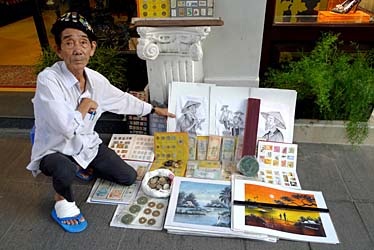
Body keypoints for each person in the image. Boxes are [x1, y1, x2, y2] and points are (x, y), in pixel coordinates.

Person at [26, 12, 175, 233]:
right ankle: (61, 201)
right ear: (59, 50)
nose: (77, 49)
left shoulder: (95, 79)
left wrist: (153, 110)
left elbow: (121, 100)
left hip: (85, 143)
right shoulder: (48, 79)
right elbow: (66, 128)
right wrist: (85, 104)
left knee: (127, 177)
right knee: (63, 167)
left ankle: (82, 164)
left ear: (92, 48)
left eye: (83, 42)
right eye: (69, 42)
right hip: (54, 145)